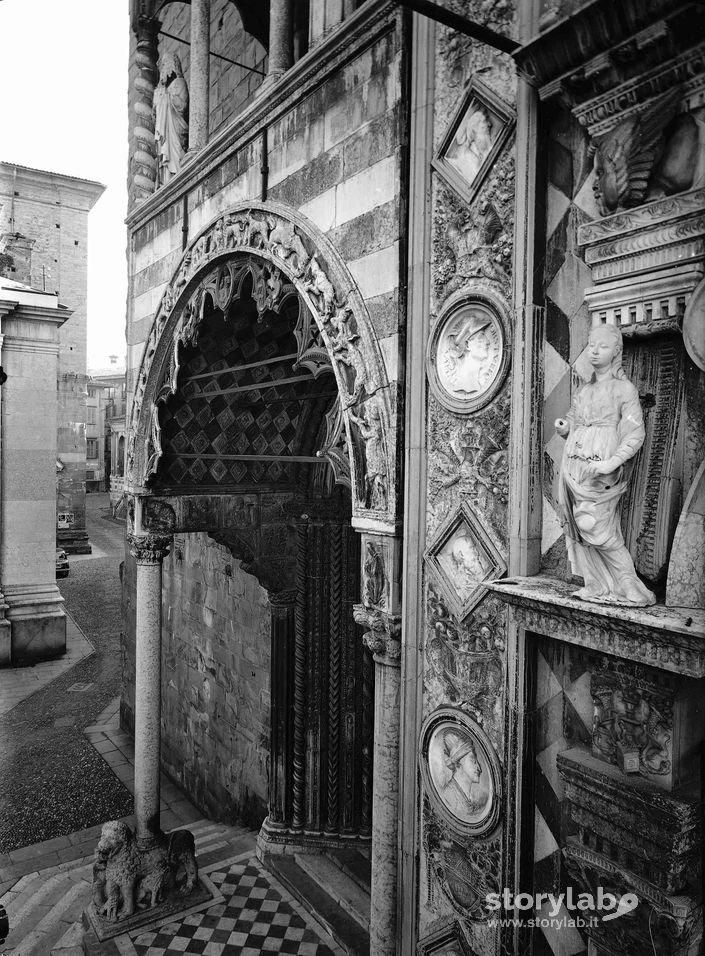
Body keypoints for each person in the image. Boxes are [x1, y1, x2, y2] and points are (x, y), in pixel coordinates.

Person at [555, 323, 656, 606]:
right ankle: (595, 583)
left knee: (597, 527)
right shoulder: (584, 390)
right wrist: (566, 426)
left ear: (616, 351)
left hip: (601, 469)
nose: (595, 351)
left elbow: (635, 432)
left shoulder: (624, 389)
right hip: (573, 466)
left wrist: (611, 462)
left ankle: (628, 583)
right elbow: (575, 418)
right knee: (576, 525)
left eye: (602, 346)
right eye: (591, 345)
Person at [154, 52, 189, 186]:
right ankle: (165, 180)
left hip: (175, 130)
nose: (162, 69)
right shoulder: (162, 90)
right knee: (164, 156)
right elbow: (155, 117)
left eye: (164, 65)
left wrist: (166, 96)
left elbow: (182, 106)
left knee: (175, 156)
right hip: (165, 135)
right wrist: (158, 99)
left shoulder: (179, 83)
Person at [438, 730, 485, 818]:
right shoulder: (449, 797)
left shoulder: (468, 798)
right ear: (458, 762)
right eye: (473, 760)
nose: (479, 768)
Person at [443, 313, 493, 395]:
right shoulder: (464, 386)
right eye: (481, 337)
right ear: (467, 345)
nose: (487, 342)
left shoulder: (476, 384)